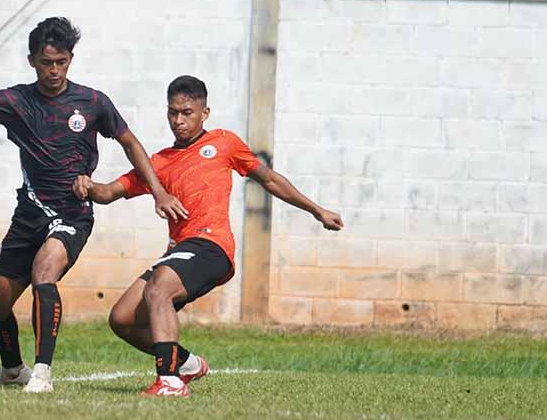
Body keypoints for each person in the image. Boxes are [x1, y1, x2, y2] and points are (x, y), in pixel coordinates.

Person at [0, 17, 186, 393]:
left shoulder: (93, 102)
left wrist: (159, 192)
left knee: (44, 270)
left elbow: (130, 144)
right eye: (47, 62)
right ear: (32, 60)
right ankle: (13, 369)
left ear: (70, 59)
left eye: (62, 62)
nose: (55, 70)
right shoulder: (15, 101)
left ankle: (43, 372)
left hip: (72, 214)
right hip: (28, 214)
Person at [73, 75, 344, 397]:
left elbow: (269, 179)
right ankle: (186, 364)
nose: (179, 120)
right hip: (180, 250)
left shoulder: (224, 143)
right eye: (173, 112)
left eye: (187, 112)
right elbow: (109, 193)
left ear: (205, 112)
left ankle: (169, 380)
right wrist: (87, 186)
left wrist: (316, 210)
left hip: (212, 246)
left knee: (158, 290)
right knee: (122, 319)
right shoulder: (157, 163)